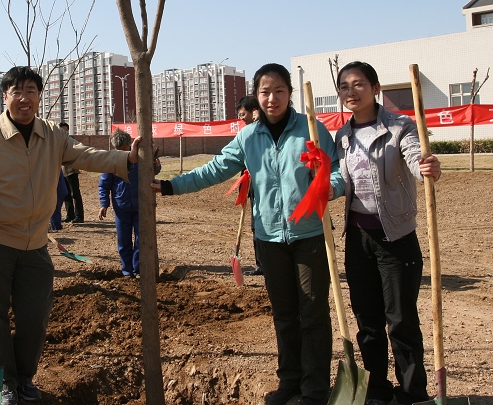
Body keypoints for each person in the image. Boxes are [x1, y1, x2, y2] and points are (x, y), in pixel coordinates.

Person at [151, 63, 343, 405]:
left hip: (310, 235)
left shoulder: (311, 129)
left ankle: (315, 390)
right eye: (265, 92)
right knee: (284, 315)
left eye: (279, 91)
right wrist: (170, 186)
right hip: (269, 238)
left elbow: (338, 169)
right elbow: (215, 169)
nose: (272, 98)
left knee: (313, 314)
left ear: (289, 93)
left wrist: (332, 186)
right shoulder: (248, 136)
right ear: (257, 95)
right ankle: (290, 383)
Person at [0, 66, 141, 405]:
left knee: (35, 317)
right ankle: (4, 383)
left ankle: (24, 378)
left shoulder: (52, 134)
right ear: (5, 97)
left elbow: (85, 155)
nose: (24, 98)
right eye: (17, 91)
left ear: (39, 96)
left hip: (36, 242)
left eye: (31, 91)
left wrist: (125, 159)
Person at [335, 61, 441, 405]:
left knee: (401, 320)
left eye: (358, 84)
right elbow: (340, 181)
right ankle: (377, 390)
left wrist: (426, 166)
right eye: (344, 86)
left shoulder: (399, 127)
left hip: (396, 238)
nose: (351, 92)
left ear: (375, 88)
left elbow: (414, 156)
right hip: (358, 239)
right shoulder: (342, 135)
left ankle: (412, 393)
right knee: (367, 320)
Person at [98, 129, 161, 278]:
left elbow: (154, 170)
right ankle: (127, 270)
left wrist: (155, 162)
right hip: (121, 208)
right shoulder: (111, 162)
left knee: (141, 239)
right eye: (118, 150)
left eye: (125, 149)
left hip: (141, 206)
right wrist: (104, 204)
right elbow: (104, 185)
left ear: (130, 146)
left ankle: (138, 269)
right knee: (123, 240)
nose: (122, 153)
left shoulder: (140, 158)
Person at [236, 95, 263, 276]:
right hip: (253, 186)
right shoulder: (246, 134)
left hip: (266, 187)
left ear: (255, 112)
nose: (241, 119)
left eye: (243, 114)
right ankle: (261, 264)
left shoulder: (264, 131)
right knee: (256, 225)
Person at [59, 122, 85, 223]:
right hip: (62, 171)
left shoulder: (71, 140)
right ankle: (70, 215)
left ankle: (79, 216)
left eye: (66, 130)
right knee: (66, 194)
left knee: (75, 193)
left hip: (71, 171)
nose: (64, 132)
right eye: (62, 130)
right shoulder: (57, 141)